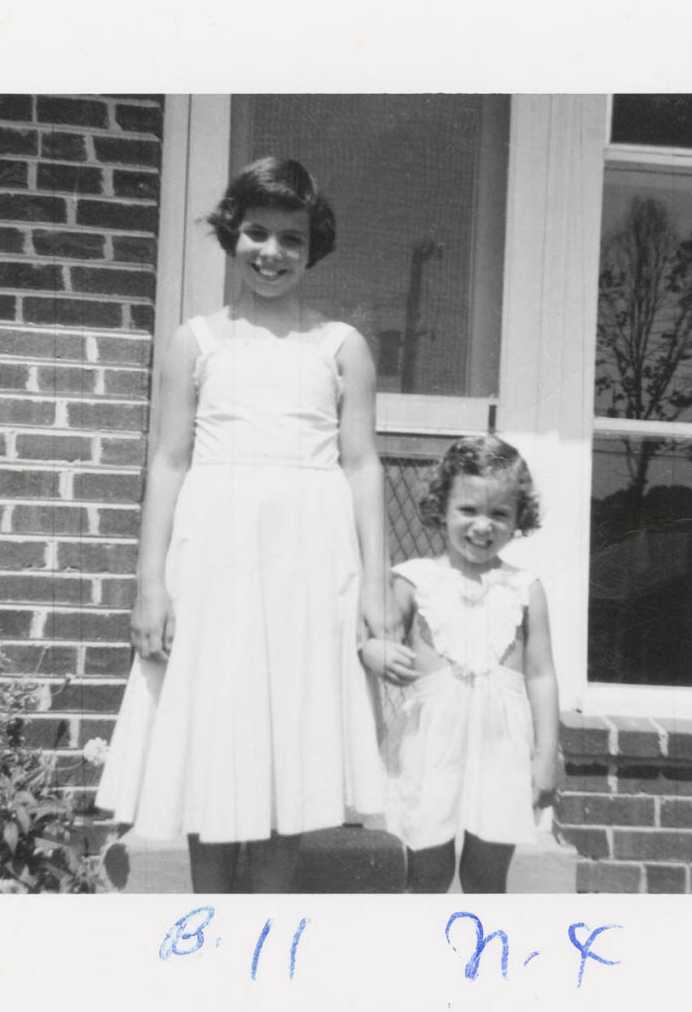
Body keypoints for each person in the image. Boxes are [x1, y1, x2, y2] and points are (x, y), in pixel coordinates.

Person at [95, 156, 395, 892]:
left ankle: (266, 922)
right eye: (256, 233)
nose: (272, 253)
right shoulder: (196, 341)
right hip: (215, 557)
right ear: (231, 234)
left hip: (309, 561)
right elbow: (168, 461)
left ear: (312, 246)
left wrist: (375, 587)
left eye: (291, 239)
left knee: (286, 738)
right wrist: (149, 586)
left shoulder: (340, 345)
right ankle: (212, 926)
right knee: (215, 728)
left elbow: (362, 465)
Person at [360, 435, 560, 893]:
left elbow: (542, 675)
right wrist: (372, 651)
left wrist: (546, 754)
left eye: (499, 514)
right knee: (428, 873)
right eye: (468, 510)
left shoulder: (524, 588)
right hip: (432, 748)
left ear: (519, 518)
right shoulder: (414, 581)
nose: (482, 526)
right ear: (441, 508)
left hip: (502, 750)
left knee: (485, 876)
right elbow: (375, 639)